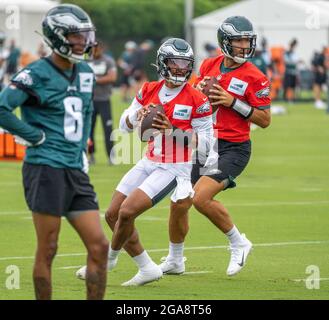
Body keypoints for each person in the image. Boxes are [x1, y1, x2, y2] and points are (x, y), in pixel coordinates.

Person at [76, 38, 215, 286]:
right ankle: (147, 267)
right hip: (149, 160)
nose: (181, 68)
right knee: (111, 214)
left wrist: (172, 130)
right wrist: (135, 117)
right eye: (175, 62)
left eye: (185, 63)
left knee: (127, 212)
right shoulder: (149, 89)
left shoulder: (197, 99)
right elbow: (123, 126)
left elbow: (205, 145)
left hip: (175, 167)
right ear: (163, 63)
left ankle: (107, 260)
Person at [0, 4, 109, 300]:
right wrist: (32, 135)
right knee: (48, 248)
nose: (83, 42)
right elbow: (2, 107)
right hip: (45, 167)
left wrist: (83, 147)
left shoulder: (85, 71)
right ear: (58, 37)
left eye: (85, 35)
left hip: (74, 168)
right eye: (75, 36)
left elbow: (86, 111)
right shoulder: (36, 72)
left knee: (99, 245)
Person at [160, 16, 271, 277]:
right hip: (205, 144)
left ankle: (238, 242)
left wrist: (233, 102)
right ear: (224, 42)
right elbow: (195, 98)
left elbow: (265, 120)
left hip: (234, 147)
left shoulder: (256, 77)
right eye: (238, 40)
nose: (245, 46)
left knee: (200, 197)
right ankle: (175, 259)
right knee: (180, 200)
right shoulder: (210, 64)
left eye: (247, 40)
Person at [88, 41, 117, 165]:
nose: (96, 50)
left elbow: (112, 77)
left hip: (104, 100)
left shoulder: (108, 61)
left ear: (102, 48)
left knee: (108, 129)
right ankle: (91, 156)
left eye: (98, 48)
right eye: (93, 48)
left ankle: (111, 157)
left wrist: (94, 80)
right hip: (90, 101)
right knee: (89, 130)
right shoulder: (86, 61)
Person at [283, 39, 298, 103]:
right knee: (288, 86)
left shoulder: (294, 53)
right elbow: (287, 61)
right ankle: (288, 98)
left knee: (293, 86)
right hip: (288, 72)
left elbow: (295, 61)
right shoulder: (287, 53)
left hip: (294, 72)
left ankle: (293, 98)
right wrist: (293, 62)